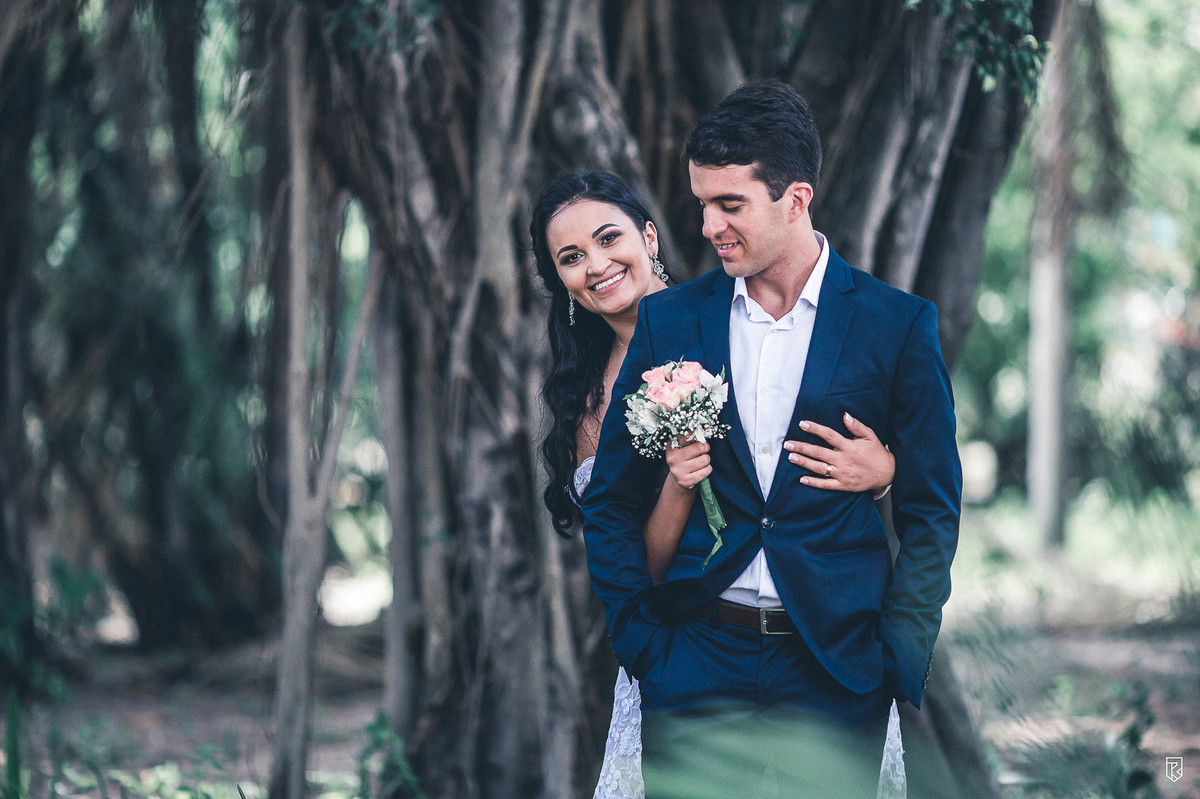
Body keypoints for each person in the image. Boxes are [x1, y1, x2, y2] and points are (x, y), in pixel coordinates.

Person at [579, 80, 962, 798]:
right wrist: (642, 641)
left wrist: (897, 654)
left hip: (836, 667)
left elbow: (933, 507)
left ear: (796, 200)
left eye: (730, 205)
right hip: (694, 660)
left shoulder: (896, 324)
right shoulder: (673, 322)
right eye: (701, 204)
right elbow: (609, 500)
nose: (709, 225)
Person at [530, 170, 900, 799]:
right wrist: (678, 484)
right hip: (687, 652)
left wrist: (887, 472)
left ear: (649, 237)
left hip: (817, 646)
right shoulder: (587, 408)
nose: (596, 265)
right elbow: (631, 565)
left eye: (607, 238)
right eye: (571, 258)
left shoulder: (744, 314)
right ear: (561, 281)